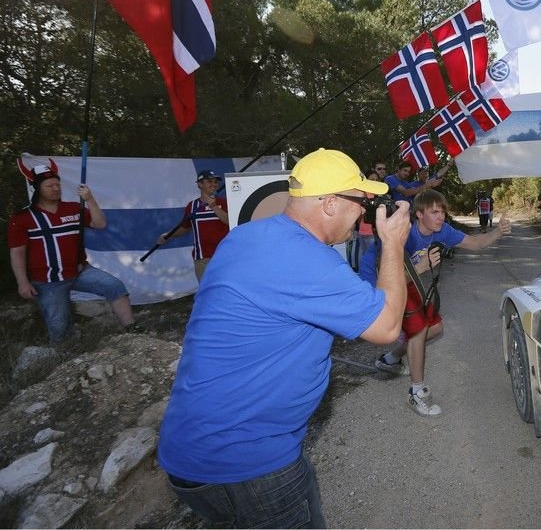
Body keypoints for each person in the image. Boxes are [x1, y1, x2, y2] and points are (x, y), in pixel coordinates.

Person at [157, 148, 412, 528]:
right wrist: (393, 244)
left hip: (194, 451)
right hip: (248, 462)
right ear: (329, 204)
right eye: (360, 201)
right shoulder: (308, 261)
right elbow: (388, 326)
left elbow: (342, 295)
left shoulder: (246, 237)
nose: (364, 211)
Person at [360, 189, 511, 417]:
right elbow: (388, 280)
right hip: (377, 281)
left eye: (443, 212)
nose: (441, 217)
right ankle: (417, 392)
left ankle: (390, 359)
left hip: (406, 278)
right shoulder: (404, 232)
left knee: (435, 328)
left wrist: (498, 231)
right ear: (418, 214)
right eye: (434, 212)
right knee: (419, 328)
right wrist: (420, 267)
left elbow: (477, 243)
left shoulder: (441, 230)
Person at [8, 159, 136, 343]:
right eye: (50, 185)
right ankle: (64, 359)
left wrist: (90, 200)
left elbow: (100, 224)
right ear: (37, 188)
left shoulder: (73, 208)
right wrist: (22, 282)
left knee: (115, 287)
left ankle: (132, 328)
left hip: (80, 271)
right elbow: (17, 252)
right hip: (48, 281)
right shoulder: (22, 218)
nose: (56, 188)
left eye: (58, 185)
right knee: (59, 330)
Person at [156, 169, 229, 281]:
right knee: (206, 293)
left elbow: (230, 221)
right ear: (200, 184)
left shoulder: (224, 203)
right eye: (209, 181)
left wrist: (213, 206)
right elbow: (185, 227)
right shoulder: (192, 205)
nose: (214, 184)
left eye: (215, 182)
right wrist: (168, 235)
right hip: (202, 259)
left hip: (225, 256)